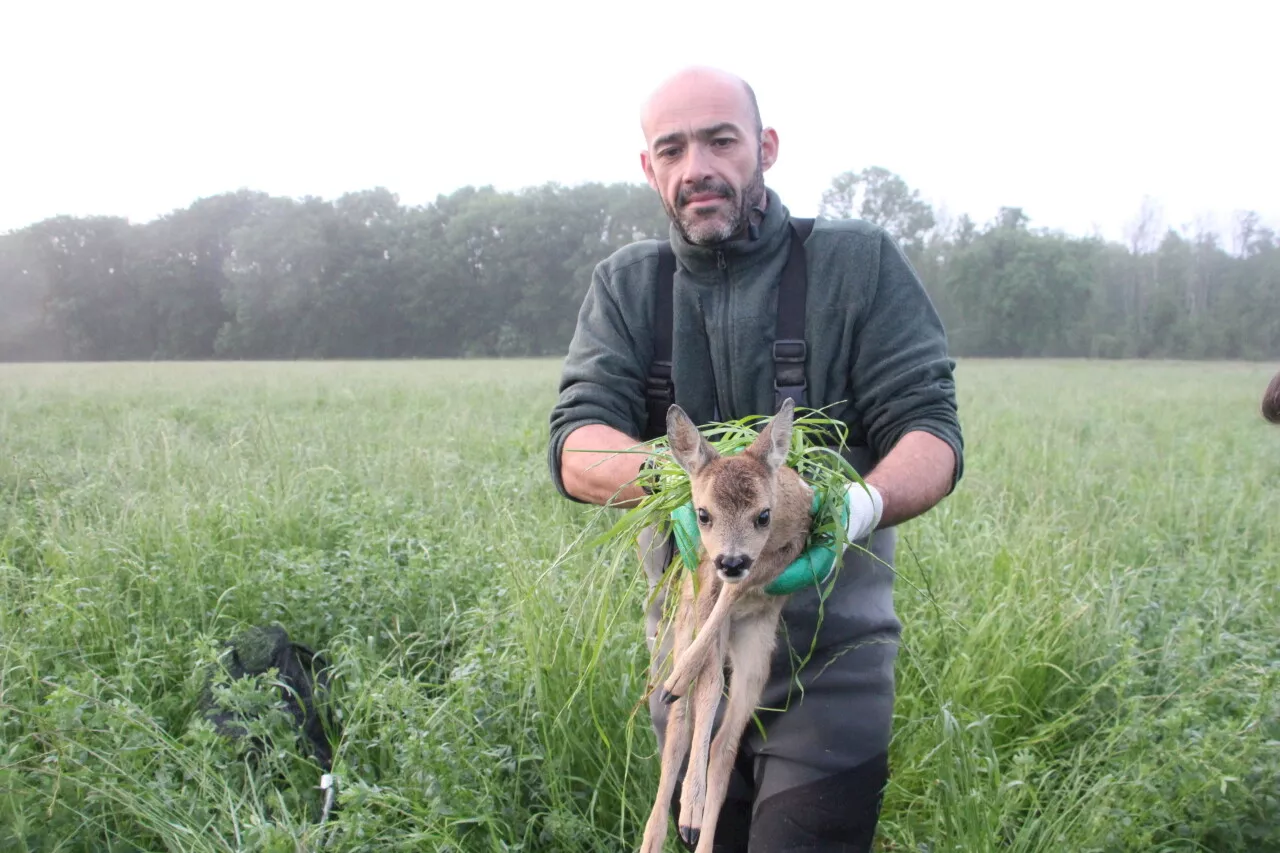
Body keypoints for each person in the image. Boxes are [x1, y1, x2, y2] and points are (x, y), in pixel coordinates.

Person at [546, 65, 964, 852]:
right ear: (649, 168)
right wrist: (678, 484)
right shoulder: (630, 285)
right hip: (694, 659)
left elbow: (931, 432)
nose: (696, 165)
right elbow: (576, 442)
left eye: (720, 140)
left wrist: (854, 509)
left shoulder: (858, 264)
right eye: (671, 148)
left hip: (830, 669)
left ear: (764, 147)